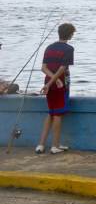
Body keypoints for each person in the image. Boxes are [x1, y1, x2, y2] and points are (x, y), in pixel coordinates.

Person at [36, 23, 75, 154]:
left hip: (49, 81)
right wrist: (56, 80)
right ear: (70, 34)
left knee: (51, 112)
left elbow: (43, 68)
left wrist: (50, 81)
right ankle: (55, 146)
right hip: (61, 84)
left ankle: (41, 145)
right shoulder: (69, 49)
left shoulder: (49, 47)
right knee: (58, 114)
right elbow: (63, 68)